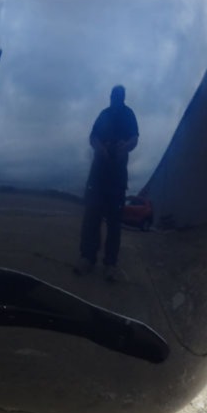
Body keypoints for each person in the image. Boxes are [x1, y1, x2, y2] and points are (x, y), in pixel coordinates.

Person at [78, 85, 138, 280]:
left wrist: (124, 146)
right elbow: (93, 136)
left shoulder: (129, 114)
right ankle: (87, 258)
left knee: (114, 222)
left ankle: (110, 264)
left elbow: (135, 138)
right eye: (113, 95)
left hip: (117, 173)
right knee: (91, 217)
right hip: (98, 171)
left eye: (119, 96)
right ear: (110, 96)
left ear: (123, 97)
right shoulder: (103, 114)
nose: (116, 98)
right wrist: (100, 148)